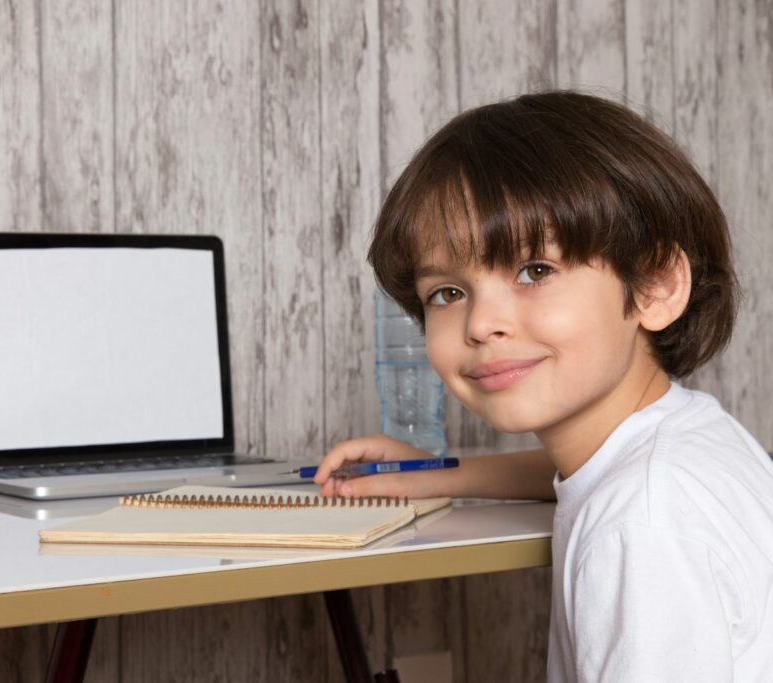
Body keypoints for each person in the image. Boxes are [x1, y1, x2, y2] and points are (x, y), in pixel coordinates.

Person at [314, 90, 773, 680]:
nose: (480, 324)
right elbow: (577, 475)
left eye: (535, 271)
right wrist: (431, 472)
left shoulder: (642, 529)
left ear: (655, 285)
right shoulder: (686, 439)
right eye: (446, 294)